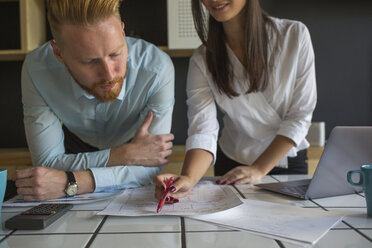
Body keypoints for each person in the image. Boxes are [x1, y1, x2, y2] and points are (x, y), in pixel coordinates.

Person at [154, 0, 316, 201]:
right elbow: (202, 129)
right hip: (231, 167)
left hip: (286, 161)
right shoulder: (202, 58)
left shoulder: (294, 35)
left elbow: (299, 116)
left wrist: (258, 169)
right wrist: (188, 177)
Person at [13, 0, 175, 201]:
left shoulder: (156, 69)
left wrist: (71, 182)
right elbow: (47, 164)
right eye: (89, 61)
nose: (109, 74)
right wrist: (120, 156)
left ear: (123, 32)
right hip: (81, 145)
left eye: (115, 53)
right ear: (59, 53)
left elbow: (149, 168)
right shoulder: (37, 69)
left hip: (117, 163)